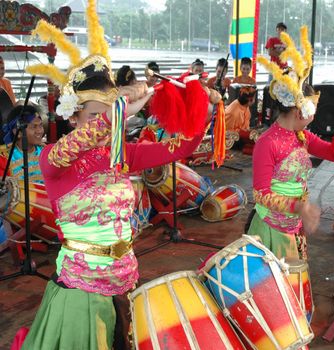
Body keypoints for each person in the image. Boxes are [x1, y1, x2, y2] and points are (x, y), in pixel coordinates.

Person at [12, 3, 208, 349]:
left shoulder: (121, 154)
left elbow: (178, 149)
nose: (104, 123)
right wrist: (118, 110)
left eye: (109, 112)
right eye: (94, 115)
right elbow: (91, 136)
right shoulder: (54, 159)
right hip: (80, 292)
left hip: (123, 282)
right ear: (73, 117)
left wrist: (198, 106)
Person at [247, 26, 334, 260]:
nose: (313, 117)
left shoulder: (302, 136)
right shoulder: (267, 143)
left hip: (295, 224)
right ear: (298, 111)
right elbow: (262, 195)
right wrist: (300, 207)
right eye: (311, 112)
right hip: (271, 228)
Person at [0, 105, 45, 183]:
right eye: (34, 127)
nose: (39, 131)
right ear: (18, 132)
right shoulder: (4, 158)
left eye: (41, 125)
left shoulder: (48, 153)